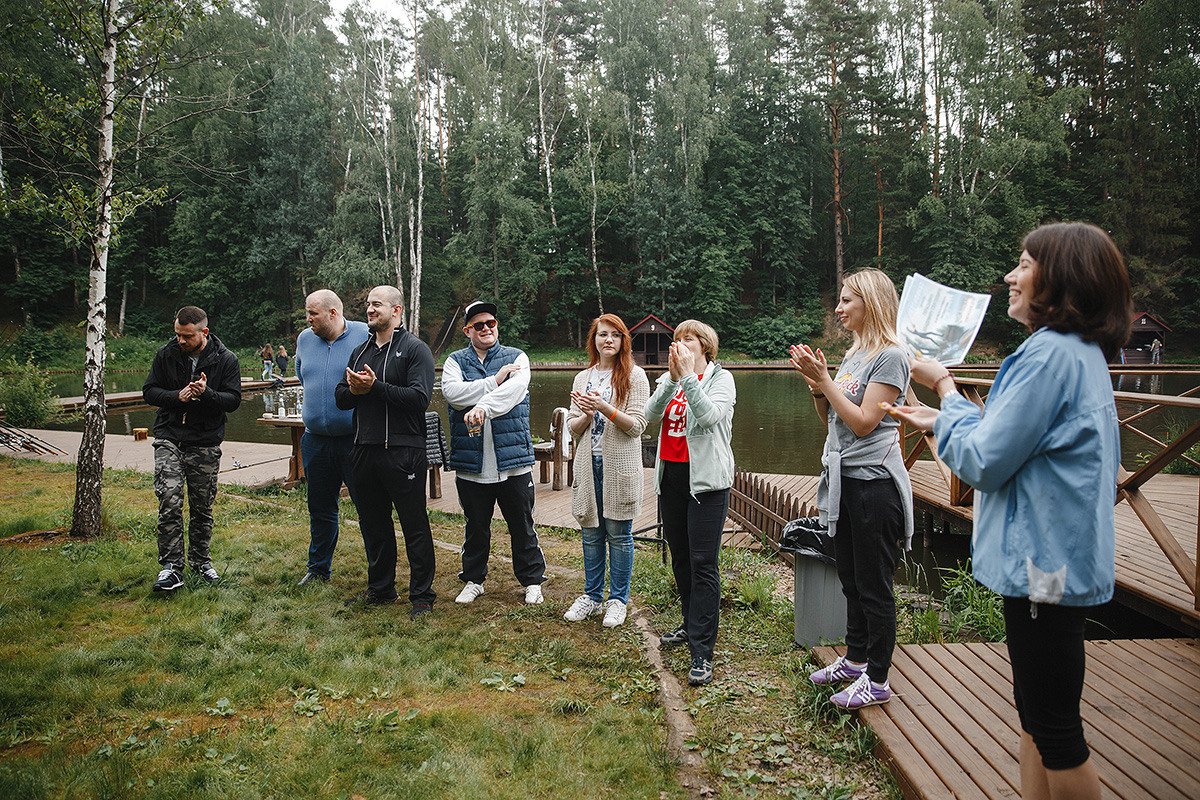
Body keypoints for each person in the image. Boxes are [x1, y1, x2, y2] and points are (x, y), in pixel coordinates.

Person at [891, 222, 1131, 800]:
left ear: (1061, 277)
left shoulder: (1046, 356)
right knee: (1034, 716)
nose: (1010, 275)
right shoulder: (1081, 353)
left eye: (1023, 263)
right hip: (1058, 560)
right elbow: (1010, 440)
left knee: (1055, 729)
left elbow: (982, 462)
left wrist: (946, 390)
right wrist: (943, 419)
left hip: (1042, 569)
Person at [790, 268, 914, 710]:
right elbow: (834, 420)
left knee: (874, 584)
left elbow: (864, 425)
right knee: (850, 578)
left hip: (875, 486)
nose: (838, 309)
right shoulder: (855, 353)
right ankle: (857, 659)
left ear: (872, 303)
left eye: (846, 301)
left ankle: (878, 678)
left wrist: (825, 382)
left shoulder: (893, 357)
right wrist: (817, 387)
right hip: (845, 483)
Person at [334, 285, 437, 618]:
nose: (369, 309)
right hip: (364, 449)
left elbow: (419, 399)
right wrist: (353, 389)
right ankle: (381, 589)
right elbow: (341, 397)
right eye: (367, 305)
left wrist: (375, 387)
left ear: (397, 310)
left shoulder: (414, 349)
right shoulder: (361, 350)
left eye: (376, 304)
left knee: (414, 525)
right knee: (374, 524)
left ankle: (422, 595)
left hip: (403, 450)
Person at [644, 320, 736, 686]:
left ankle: (702, 649)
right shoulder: (671, 380)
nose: (679, 344)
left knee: (703, 562)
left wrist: (687, 379)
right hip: (672, 479)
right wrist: (670, 379)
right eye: (676, 339)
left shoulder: (721, 380)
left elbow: (710, 416)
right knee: (680, 557)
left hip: (707, 483)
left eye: (688, 339)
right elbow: (649, 417)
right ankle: (689, 622)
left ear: (705, 347)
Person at [443, 300, 548, 606]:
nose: (487, 328)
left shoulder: (517, 357)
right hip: (471, 464)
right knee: (476, 527)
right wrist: (493, 380)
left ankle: (532, 580)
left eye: (491, 323)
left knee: (522, 525)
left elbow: (515, 391)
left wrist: (483, 404)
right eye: (479, 325)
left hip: (512, 462)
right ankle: (474, 580)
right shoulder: (455, 361)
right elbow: (453, 393)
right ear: (467, 330)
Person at [142, 306, 242, 592]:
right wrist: (177, 396)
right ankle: (171, 567)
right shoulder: (166, 354)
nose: (181, 341)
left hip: (205, 440)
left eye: (187, 336)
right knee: (170, 500)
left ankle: (201, 562)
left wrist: (206, 393)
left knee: (202, 507)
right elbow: (149, 391)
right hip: (170, 436)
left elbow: (233, 400)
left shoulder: (226, 360)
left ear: (204, 333)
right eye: (177, 335)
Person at [564, 314, 650, 628]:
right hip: (589, 466)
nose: (608, 340)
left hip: (620, 466)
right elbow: (574, 428)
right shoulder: (581, 378)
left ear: (623, 340)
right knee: (590, 533)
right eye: (602, 335)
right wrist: (587, 414)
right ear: (594, 340)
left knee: (619, 535)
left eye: (615, 335)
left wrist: (603, 407)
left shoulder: (635, 375)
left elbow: (637, 427)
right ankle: (592, 597)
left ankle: (618, 600)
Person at [294, 289, 369, 586]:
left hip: (354, 439)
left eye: (313, 313)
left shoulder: (363, 334)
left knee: (368, 506)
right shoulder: (304, 339)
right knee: (320, 507)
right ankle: (318, 569)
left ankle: (378, 571)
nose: (308, 319)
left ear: (333, 313)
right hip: (315, 441)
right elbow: (303, 376)